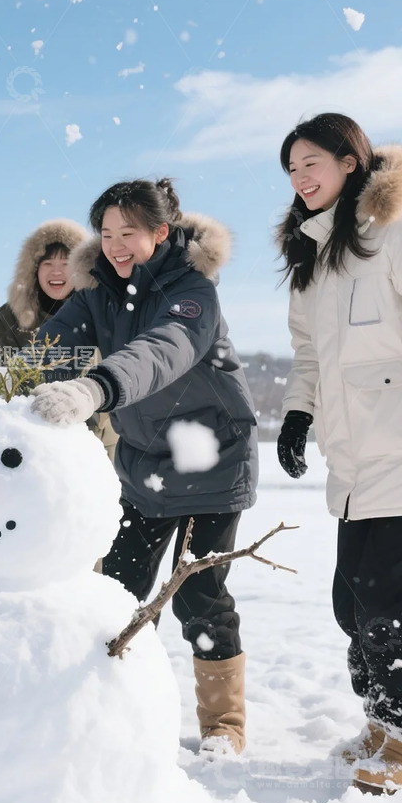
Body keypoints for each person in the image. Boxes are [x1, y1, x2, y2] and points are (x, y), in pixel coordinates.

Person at [30, 178, 258, 756]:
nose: (115, 245)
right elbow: (50, 347)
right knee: (118, 595)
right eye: (106, 233)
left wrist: (97, 388)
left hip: (209, 461)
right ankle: (116, 711)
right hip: (143, 465)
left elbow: (163, 349)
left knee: (199, 595)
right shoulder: (98, 290)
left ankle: (223, 724)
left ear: (160, 232)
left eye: (128, 233)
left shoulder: (192, 291)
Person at [276, 117, 402, 793]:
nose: (301, 177)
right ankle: (384, 721)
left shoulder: (398, 231)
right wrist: (298, 412)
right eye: (291, 169)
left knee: (388, 599)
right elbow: (310, 354)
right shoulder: (313, 256)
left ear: (349, 161)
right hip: (355, 462)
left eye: (311, 162)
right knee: (352, 602)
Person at [0, 219, 86, 366]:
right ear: (34, 270)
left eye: (66, 264)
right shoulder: (9, 318)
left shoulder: (97, 315)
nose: (56, 272)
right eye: (48, 264)